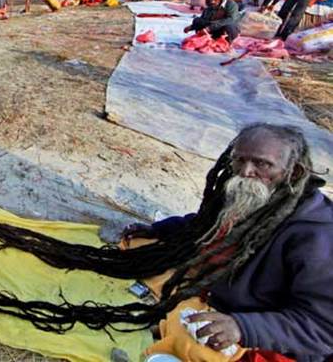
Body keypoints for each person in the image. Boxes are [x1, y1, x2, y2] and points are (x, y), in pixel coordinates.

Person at [117, 124, 332, 361]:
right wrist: (159, 229)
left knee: (192, 347)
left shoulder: (318, 234)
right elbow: (207, 224)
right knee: (137, 246)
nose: (245, 171)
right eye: (239, 160)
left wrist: (243, 327)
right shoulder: (255, 190)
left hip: (259, 325)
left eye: (262, 164)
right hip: (214, 291)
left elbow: (322, 327)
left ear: (295, 172)